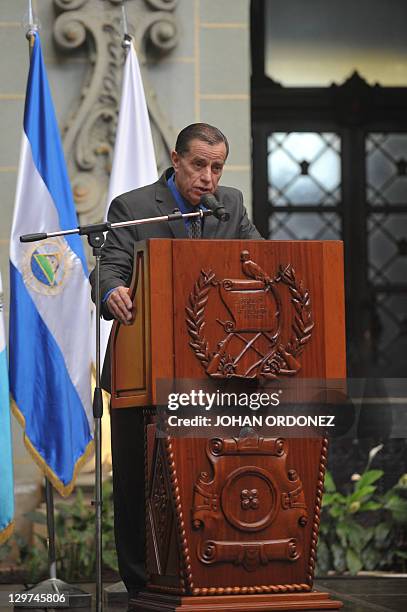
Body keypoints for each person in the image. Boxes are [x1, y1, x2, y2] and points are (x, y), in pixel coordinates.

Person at [90, 123, 262, 599]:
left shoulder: (231, 206)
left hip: (217, 374)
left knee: (208, 476)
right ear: (177, 159)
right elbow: (108, 266)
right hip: (141, 370)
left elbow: (263, 262)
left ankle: (206, 577)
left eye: (217, 167)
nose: (209, 177)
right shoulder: (135, 208)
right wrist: (112, 292)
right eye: (200, 165)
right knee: (140, 485)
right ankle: (143, 584)